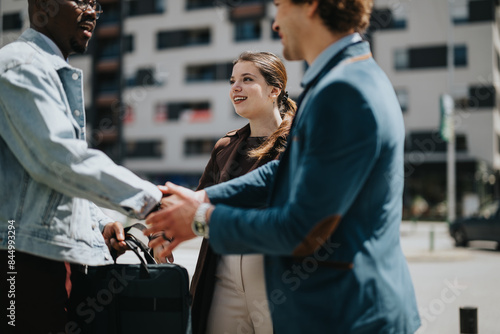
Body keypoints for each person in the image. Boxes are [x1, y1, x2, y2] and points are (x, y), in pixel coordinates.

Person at [146, 0, 421, 333]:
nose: (275, 23)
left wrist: (201, 219)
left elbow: (302, 229)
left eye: (279, 6)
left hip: (350, 314)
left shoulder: (342, 90)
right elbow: (285, 171)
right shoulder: (345, 77)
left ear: (311, 6)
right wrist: (204, 200)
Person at [0, 1, 162, 333]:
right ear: (43, 5)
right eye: (82, 0)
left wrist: (100, 223)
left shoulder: (47, 69)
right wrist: (154, 202)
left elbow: (59, 180)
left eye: (96, 4)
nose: (93, 11)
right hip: (18, 253)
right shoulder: (21, 65)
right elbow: (59, 160)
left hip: (44, 252)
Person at [187, 51, 296, 334]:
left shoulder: (300, 142)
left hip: (277, 276)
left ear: (275, 89)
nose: (236, 87)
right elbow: (197, 203)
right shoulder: (225, 147)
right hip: (223, 274)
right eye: (233, 80)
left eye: (247, 79)